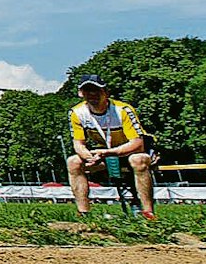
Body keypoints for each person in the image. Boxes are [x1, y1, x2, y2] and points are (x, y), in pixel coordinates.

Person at [66, 73, 157, 220]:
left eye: (97, 90)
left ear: (106, 92)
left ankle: (148, 213)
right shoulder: (76, 113)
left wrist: (107, 153)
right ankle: (83, 214)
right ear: (80, 93)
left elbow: (137, 144)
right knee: (73, 162)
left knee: (138, 160)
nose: (92, 94)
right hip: (105, 154)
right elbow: (78, 144)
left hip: (131, 152)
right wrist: (90, 157)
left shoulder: (123, 110)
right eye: (87, 90)